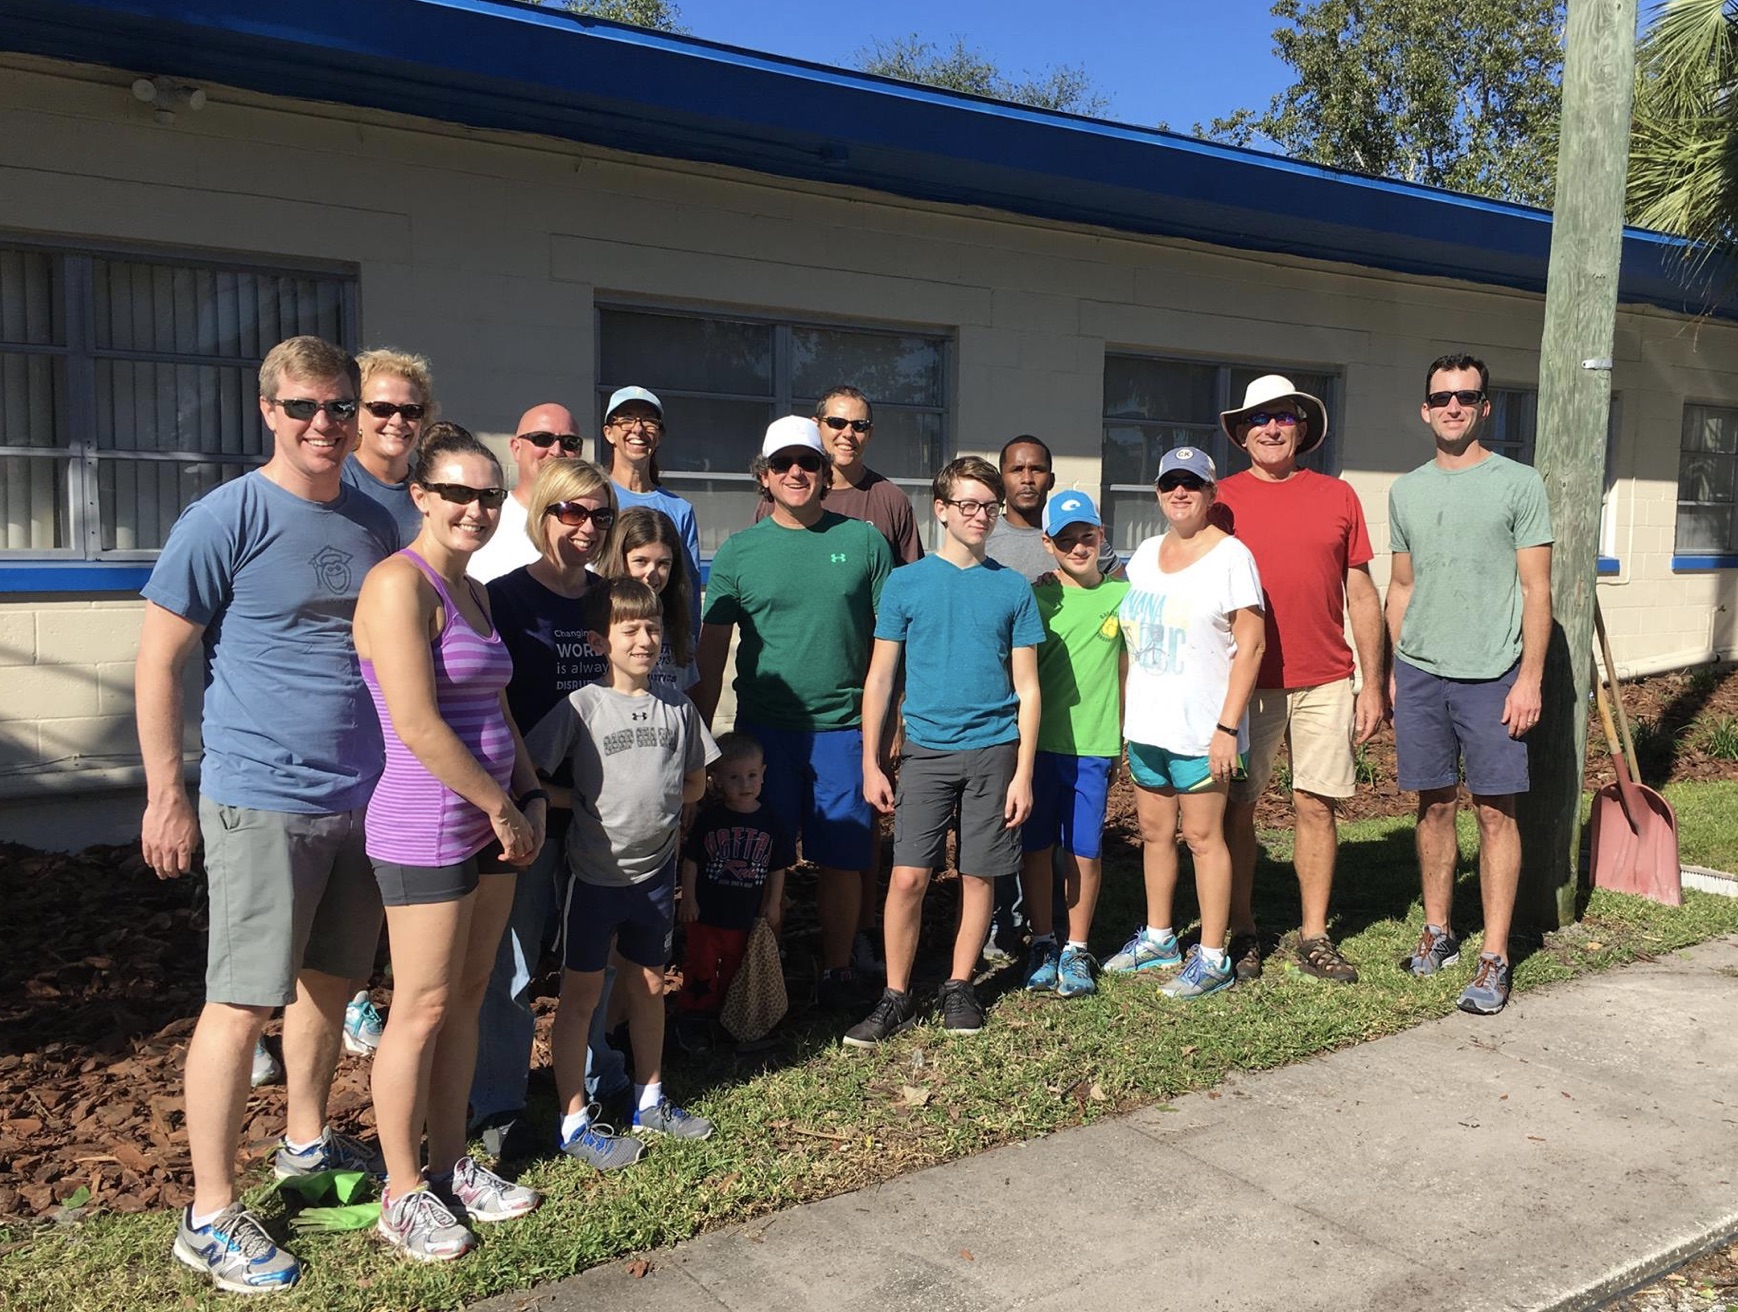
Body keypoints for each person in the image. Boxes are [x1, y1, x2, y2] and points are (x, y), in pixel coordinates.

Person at [138, 336, 395, 1294]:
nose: (324, 424)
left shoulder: (377, 518)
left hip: (360, 797)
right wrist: (167, 792)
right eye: (303, 407)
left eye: (340, 407)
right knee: (242, 1001)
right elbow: (159, 659)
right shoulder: (227, 517)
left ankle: (305, 1144)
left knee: (329, 986)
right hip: (260, 795)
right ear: (268, 411)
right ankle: (209, 1215)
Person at [353, 423, 545, 1261]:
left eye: (489, 495)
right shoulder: (399, 585)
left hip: (492, 819)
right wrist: (502, 808)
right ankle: (402, 1192)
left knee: (467, 997)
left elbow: (496, 708)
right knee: (420, 1009)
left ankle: (452, 1163)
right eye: (458, 493)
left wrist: (528, 791)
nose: (476, 508)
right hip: (426, 823)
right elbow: (419, 725)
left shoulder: (476, 591)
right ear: (421, 496)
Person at [696, 417, 894, 1011]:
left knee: (841, 859)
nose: (796, 472)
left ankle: (837, 971)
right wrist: (699, 746)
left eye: (807, 462)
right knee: (756, 862)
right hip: (764, 734)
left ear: (825, 473)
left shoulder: (865, 543)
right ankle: (762, 977)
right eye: (782, 463)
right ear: (764, 475)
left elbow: (890, 645)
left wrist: (889, 728)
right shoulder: (739, 551)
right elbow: (711, 649)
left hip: (842, 730)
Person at [845, 456, 1044, 1046]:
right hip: (926, 752)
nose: (981, 516)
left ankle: (960, 985)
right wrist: (871, 761)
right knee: (908, 877)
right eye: (968, 505)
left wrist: (1024, 773)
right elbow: (881, 678)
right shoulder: (906, 583)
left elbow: (1028, 687)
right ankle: (896, 995)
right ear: (941, 510)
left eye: (990, 506)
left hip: (994, 750)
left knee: (979, 876)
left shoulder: (1012, 587)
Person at [526, 578, 720, 1164]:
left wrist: (660, 808)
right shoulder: (582, 707)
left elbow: (695, 782)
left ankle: (649, 1098)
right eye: (629, 629)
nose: (644, 640)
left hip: (655, 878)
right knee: (581, 997)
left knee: (650, 987)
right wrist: (579, 802)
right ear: (598, 642)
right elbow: (530, 774)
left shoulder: (678, 707)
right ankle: (573, 1122)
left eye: (653, 628)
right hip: (593, 879)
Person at [468, 458, 626, 1160]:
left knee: (595, 960)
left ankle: (596, 1076)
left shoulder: (611, 601)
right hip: (529, 810)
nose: (587, 527)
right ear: (543, 514)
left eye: (600, 515)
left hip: (603, 815)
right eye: (572, 512)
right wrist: (524, 795)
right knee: (512, 965)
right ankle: (497, 1102)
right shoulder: (503, 600)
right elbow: (489, 708)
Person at [1387, 353, 1553, 1016]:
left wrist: (1530, 679)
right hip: (1421, 673)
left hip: (1494, 675)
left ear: (1485, 407)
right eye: (1441, 397)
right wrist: (1396, 669)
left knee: (1493, 811)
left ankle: (1495, 953)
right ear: (1425, 409)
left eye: (1466, 397)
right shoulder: (1406, 490)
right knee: (1432, 805)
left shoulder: (1518, 484)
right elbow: (1401, 586)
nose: (1452, 407)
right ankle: (1438, 930)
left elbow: (1537, 589)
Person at [1215, 375, 1385, 984]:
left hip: (1326, 678)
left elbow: (1361, 594)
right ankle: (1241, 930)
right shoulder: (1219, 500)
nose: (1271, 428)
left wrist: (1373, 683)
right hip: (1248, 682)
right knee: (1239, 805)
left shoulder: (1338, 496)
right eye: (1258, 419)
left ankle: (1314, 935)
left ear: (1302, 427)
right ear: (1242, 433)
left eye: (1282, 416)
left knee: (1315, 803)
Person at [756, 385, 922, 981]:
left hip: (849, 718)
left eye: (860, 425)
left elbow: (899, 621)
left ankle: (850, 951)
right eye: (837, 423)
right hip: (771, 722)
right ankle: (763, 964)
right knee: (768, 849)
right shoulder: (755, 535)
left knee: (852, 846)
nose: (796, 472)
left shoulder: (882, 511)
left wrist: (895, 711)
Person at [1108, 446, 1265, 1000]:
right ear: (1157, 492)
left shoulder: (1232, 557)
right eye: (1170, 483)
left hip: (1203, 730)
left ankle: (1215, 956)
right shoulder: (1146, 554)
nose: (1180, 492)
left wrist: (1227, 728)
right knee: (1155, 835)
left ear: (1211, 493)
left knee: (1202, 838)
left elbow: (1251, 646)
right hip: (1148, 726)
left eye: (1192, 484)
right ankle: (1159, 938)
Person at [983, 435, 1121, 962]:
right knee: (1021, 834)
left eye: (1036, 469)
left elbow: (1121, 619)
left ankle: (1070, 940)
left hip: (1088, 737)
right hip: (1019, 725)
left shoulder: (1115, 588)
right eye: (1016, 468)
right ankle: (1019, 929)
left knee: (1075, 845)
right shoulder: (993, 543)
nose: (1026, 477)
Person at [1018, 490, 1128, 1000]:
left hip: (1093, 747)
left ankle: (1077, 946)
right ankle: (1043, 941)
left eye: (1087, 536)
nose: (1078, 548)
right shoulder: (1034, 600)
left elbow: (1127, 671)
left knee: (1084, 849)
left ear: (1101, 536)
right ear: (1047, 544)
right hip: (1038, 748)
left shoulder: (1122, 597)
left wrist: (1120, 739)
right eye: (1065, 540)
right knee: (1037, 847)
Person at [675, 731, 794, 1053]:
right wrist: (689, 899)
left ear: (763, 774)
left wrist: (773, 903)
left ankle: (731, 1018)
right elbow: (691, 861)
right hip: (705, 914)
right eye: (734, 777)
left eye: (752, 775)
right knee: (700, 966)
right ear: (715, 780)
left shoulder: (771, 821)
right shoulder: (710, 819)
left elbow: (778, 867)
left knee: (737, 968)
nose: (745, 784)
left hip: (744, 916)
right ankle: (694, 1018)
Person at [601, 386, 702, 641]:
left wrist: (688, 650)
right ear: (609, 433)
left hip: (659, 645)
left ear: (659, 435)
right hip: (603, 638)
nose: (638, 429)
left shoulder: (680, 510)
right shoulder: (594, 497)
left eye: (648, 420)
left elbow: (686, 593)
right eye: (627, 419)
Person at [467, 403, 584, 583]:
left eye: (570, 442)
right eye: (542, 439)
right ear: (516, 448)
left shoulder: (594, 524)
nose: (556, 451)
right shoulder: (482, 518)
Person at [340, 349, 435, 548]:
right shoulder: (332, 481)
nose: (397, 421)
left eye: (410, 411)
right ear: (356, 414)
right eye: (382, 409)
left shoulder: (431, 494)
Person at [599, 507, 697, 694]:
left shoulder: (677, 628)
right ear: (619, 559)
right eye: (641, 561)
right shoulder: (597, 620)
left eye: (663, 564)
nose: (651, 574)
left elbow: (688, 694)